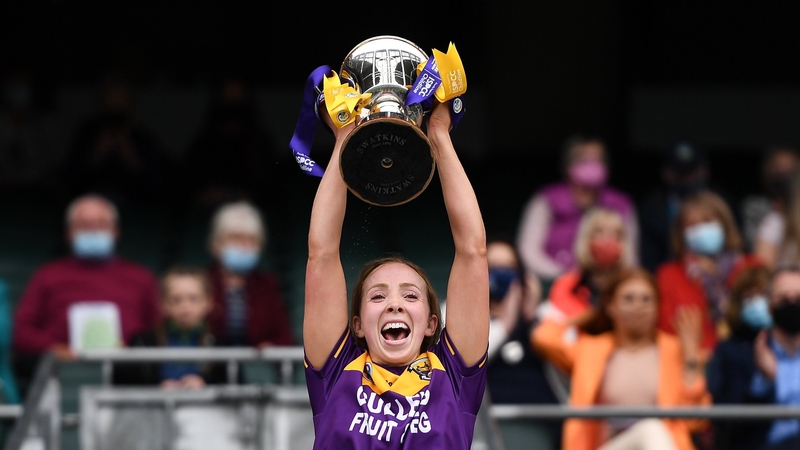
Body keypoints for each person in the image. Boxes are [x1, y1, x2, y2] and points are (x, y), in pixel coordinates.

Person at [303, 101, 489, 448]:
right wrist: (345, 136)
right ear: (357, 324)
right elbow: (322, 255)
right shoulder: (336, 371)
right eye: (377, 296)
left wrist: (439, 135)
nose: (394, 304)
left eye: (410, 295)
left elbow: (472, 253)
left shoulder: (453, 375)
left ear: (432, 323)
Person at [532, 268, 709, 450]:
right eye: (628, 299)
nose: (638, 306)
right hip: (608, 445)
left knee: (651, 430)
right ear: (611, 306)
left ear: (658, 306)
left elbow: (693, 421)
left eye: (646, 299)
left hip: (659, 444)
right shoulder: (590, 349)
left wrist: (690, 356)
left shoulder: (675, 350)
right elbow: (543, 337)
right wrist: (589, 316)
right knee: (650, 428)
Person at [12, 194, 161, 378]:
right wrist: (56, 349)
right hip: (60, 372)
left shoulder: (141, 277)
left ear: (115, 231)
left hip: (127, 373)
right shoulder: (47, 275)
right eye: (83, 225)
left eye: (100, 224)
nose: (92, 231)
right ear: (68, 233)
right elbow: (21, 332)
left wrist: (131, 348)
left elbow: (158, 329)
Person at [517, 135, 638, 282]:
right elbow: (528, 252)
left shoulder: (621, 203)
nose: (591, 165)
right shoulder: (546, 199)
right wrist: (564, 276)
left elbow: (631, 258)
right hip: (555, 280)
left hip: (608, 282)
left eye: (597, 159)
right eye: (583, 159)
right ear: (567, 165)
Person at [656, 191, 762, 359]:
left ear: (724, 225)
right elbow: (666, 327)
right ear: (681, 234)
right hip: (690, 360)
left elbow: (761, 319)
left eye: (707, 222)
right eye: (691, 225)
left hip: (746, 359)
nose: (700, 230)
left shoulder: (752, 267)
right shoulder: (669, 274)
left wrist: (715, 280)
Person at [483, 236, 562, 447]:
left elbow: (568, 361)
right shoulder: (459, 316)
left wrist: (534, 318)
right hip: (487, 427)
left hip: (547, 425)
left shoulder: (545, 315)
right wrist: (505, 323)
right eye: (493, 267)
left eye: (509, 267)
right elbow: (465, 363)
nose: (502, 274)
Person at [63, 75, 168, 207]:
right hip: (92, 207)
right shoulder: (87, 134)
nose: (116, 104)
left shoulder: (143, 138)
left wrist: (131, 158)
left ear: (130, 103)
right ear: (102, 102)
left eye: (121, 99)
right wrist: (97, 154)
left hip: (135, 210)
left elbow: (158, 187)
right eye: (111, 98)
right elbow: (71, 181)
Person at [114, 266, 226, 388]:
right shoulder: (142, 341)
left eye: (194, 298)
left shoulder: (222, 343)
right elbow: (122, 385)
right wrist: (157, 387)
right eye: (176, 300)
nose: (185, 306)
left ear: (209, 302)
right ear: (163, 304)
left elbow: (236, 386)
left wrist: (205, 384)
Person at [205, 200, 294, 347]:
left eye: (251, 239)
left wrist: (271, 346)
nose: (243, 245)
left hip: (255, 367)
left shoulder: (267, 284)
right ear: (217, 243)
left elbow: (285, 337)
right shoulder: (203, 280)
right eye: (236, 237)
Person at [706, 264, 774, 450]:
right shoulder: (728, 351)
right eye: (749, 297)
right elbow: (727, 419)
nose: (757, 302)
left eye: (763, 295)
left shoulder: (790, 347)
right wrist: (761, 384)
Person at [747, 265, 800, 449]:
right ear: (769, 305)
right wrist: (764, 380)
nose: (792, 302)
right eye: (784, 298)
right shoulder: (744, 353)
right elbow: (734, 427)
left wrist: (778, 376)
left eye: (798, 298)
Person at [638, 141, 712, 273]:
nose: (684, 179)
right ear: (666, 173)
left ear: (703, 172)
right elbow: (648, 258)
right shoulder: (652, 207)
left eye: (689, 173)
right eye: (679, 174)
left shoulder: (719, 202)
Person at [747, 147, 800, 265]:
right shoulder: (774, 223)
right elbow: (762, 275)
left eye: (791, 169)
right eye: (778, 167)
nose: (784, 173)